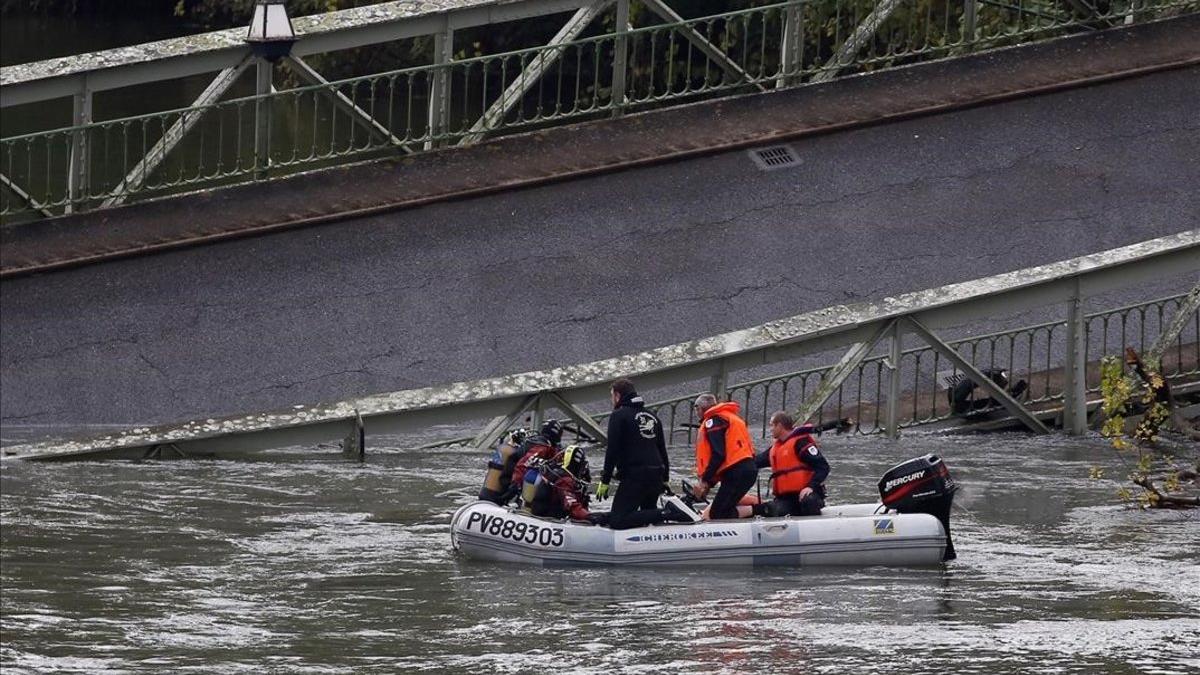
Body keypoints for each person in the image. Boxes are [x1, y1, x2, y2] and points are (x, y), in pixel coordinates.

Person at [596, 378, 697, 528]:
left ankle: (668, 513)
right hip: (656, 475)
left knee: (619, 520)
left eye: (612, 396)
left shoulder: (619, 415)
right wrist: (665, 478)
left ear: (617, 395)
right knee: (648, 516)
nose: (612, 400)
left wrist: (605, 480)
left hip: (635, 476)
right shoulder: (653, 417)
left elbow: (612, 450)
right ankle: (661, 519)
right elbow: (662, 450)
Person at [748, 411, 830, 517]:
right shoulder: (775, 449)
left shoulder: (801, 443)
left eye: (772, 425)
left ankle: (813, 527)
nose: (770, 429)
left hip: (806, 495)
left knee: (808, 500)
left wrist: (810, 486)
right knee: (774, 509)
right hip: (787, 499)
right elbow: (755, 462)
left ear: (780, 425)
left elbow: (823, 467)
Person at [691, 394, 757, 520]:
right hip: (744, 470)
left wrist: (704, 480)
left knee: (718, 514)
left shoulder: (713, 421)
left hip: (737, 472)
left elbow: (718, 455)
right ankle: (752, 513)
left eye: (696, 409)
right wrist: (709, 483)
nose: (696, 413)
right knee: (723, 508)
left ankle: (758, 510)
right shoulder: (729, 417)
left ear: (700, 408)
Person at [478, 419, 563, 505]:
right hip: (510, 483)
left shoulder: (531, 441)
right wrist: (514, 486)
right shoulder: (542, 447)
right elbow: (524, 465)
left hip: (506, 480)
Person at [526, 444, 593, 521]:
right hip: (548, 519)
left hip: (542, 515)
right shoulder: (565, 480)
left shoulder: (557, 473)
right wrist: (591, 517)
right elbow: (572, 507)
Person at [948, 368, 1028, 416]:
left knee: (994, 401)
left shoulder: (984, 375)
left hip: (958, 403)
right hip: (961, 409)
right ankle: (1010, 397)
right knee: (995, 402)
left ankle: (1009, 396)